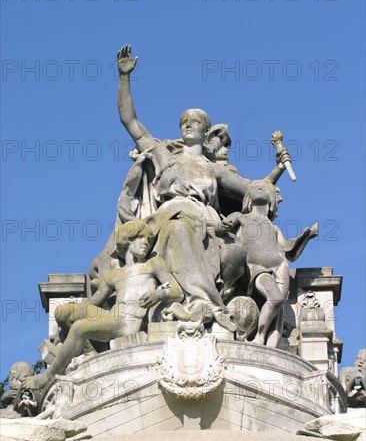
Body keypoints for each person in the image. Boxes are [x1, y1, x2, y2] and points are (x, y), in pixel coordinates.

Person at [113, 45, 290, 328]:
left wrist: (278, 169)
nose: (188, 125)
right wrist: (124, 78)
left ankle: (203, 301)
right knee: (177, 227)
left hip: (205, 220)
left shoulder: (214, 169)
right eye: (184, 122)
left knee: (234, 251)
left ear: (206, 131)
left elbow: (254, 190)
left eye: (195, 122)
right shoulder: (163, 155)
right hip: (168, 218)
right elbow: (130, 121)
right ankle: (200, 303)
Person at [25, 221, 183, 390]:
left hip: (127, 322)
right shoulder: (114, 275)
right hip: (113, 317)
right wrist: (60, 334)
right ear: (127, 241)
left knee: (80, 327)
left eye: (148, 239)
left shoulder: (153, 264)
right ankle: (89, 350)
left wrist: (159, 293)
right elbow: (92, 303)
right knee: (64, 312)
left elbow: (177, 291)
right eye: (140, 237)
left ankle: (48, 376)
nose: (146, 242)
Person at [222, 180, 318, 346]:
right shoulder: (240, 217)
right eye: (254, 187)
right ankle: (259, 337)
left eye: (264, 187)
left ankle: (270, 343)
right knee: (274, 298)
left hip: (280, 267)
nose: (259, 187)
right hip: (257, 269)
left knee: (278, 306)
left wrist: (306, 237)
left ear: (272, 199)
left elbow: (290, 253)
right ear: (248, 197)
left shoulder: (273, 228)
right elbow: (220, 229)